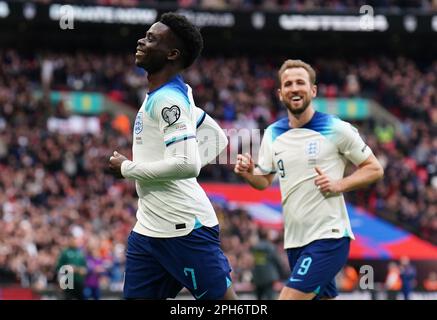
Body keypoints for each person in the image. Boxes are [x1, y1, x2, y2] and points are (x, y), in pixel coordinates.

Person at [108, 12, 236, 300]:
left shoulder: (169, 100)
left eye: (151, 39)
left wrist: (128, 168)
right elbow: (217, 137)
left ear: (172, 54)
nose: (141, 41)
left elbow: (186, 163)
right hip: (148, 230)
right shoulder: (169, 93)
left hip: (185, 229)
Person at [234, 59, 384, 300]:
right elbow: (263, 182)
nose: (295, 88)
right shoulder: (272, 133)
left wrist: (339, 184)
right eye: (288, 84)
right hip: (294, 242)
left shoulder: (337, 128)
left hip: (329, 236)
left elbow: (374, 169)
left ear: (313, 90)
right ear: (280, 93)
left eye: (300, 83)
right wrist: (248, 173)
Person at [251, 228, 287, 300]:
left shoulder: (256, 247)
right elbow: (276, 261)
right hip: (269, 277)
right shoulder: (270, 246)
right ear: (267, 236)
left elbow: (257, 263)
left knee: (259, 297)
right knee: (270, 297)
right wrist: (282, 274)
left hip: (258, 277)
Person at [55, 236, 87, 300]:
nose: (74, 242)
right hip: (68, 279)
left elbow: (84, 268)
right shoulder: (65, 253)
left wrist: (78, 269)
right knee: (67, 297)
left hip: (78, 280)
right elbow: (59, 268)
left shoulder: (80, 253)